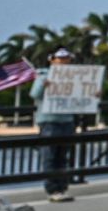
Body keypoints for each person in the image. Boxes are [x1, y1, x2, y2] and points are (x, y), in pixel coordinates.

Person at [30, 48, 79, 202]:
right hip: (49, 121)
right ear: (52, 60)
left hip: (67, 120)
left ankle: (62, 187)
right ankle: (52, 189)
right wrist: (43, 85)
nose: (64, 61)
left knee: (62, 157)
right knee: (49, 156)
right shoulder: (43, 75)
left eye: (67, 58)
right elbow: (34, 94)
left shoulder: (75, 76)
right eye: (60, 58)